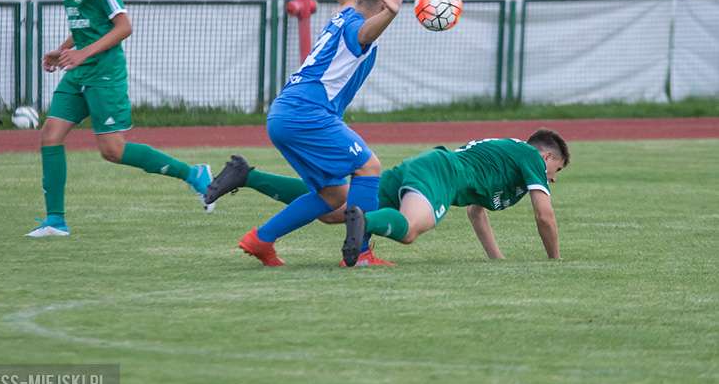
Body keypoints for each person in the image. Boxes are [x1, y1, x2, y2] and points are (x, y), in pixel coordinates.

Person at [25, 0, 214, 238]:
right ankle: (56, 221)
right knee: (50, 135)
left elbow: (123, 26)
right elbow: (86, 26)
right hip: (80, 71)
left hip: (104, 74)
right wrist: (63, 50)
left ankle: (194, 174)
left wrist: (83, 53)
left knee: (112, 150)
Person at [233, 0, 403, 266]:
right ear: (382, 0)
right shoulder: (360, 25)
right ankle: (360, 255)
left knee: (335, 194)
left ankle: (261, 239)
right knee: (369, 167)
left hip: (284, 112)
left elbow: (352, 9)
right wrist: (390, 13)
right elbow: (363, 33)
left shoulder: (344, 14)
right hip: (307, 113)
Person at [205, 129, 570, 265]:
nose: (552, 179)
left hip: (426, 165)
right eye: (557, 170)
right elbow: (544, 217)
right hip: (441, 173)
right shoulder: (529, 156)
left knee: (333, 207)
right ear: (547, 157)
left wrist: (498, 260)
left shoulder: (506, 157)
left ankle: (247, 175)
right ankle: (365, 222)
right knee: (410, 230)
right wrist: (554, 261)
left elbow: (476, 212)